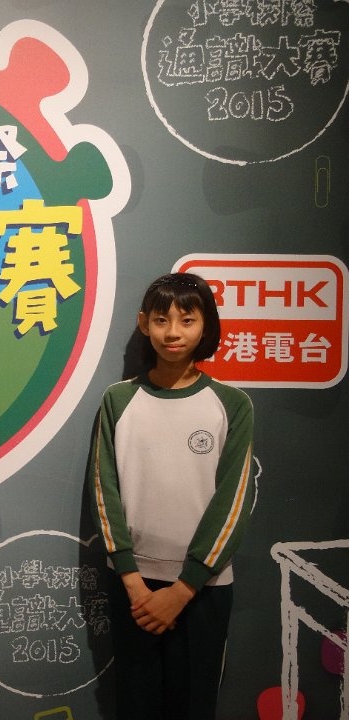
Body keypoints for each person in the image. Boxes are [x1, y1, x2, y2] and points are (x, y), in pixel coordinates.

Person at [87, 272, 254, 720]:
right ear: (144, 323)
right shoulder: (118, 400)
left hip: (203, 588)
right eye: (161, 320)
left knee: (193, 705)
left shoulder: (232, 404)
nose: (173, 332)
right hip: (133, 587)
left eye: (187, 320)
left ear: (206, 326)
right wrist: (132, 580)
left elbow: (233, 502)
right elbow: (104, 490)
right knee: (135, 704)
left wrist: (184, 588)